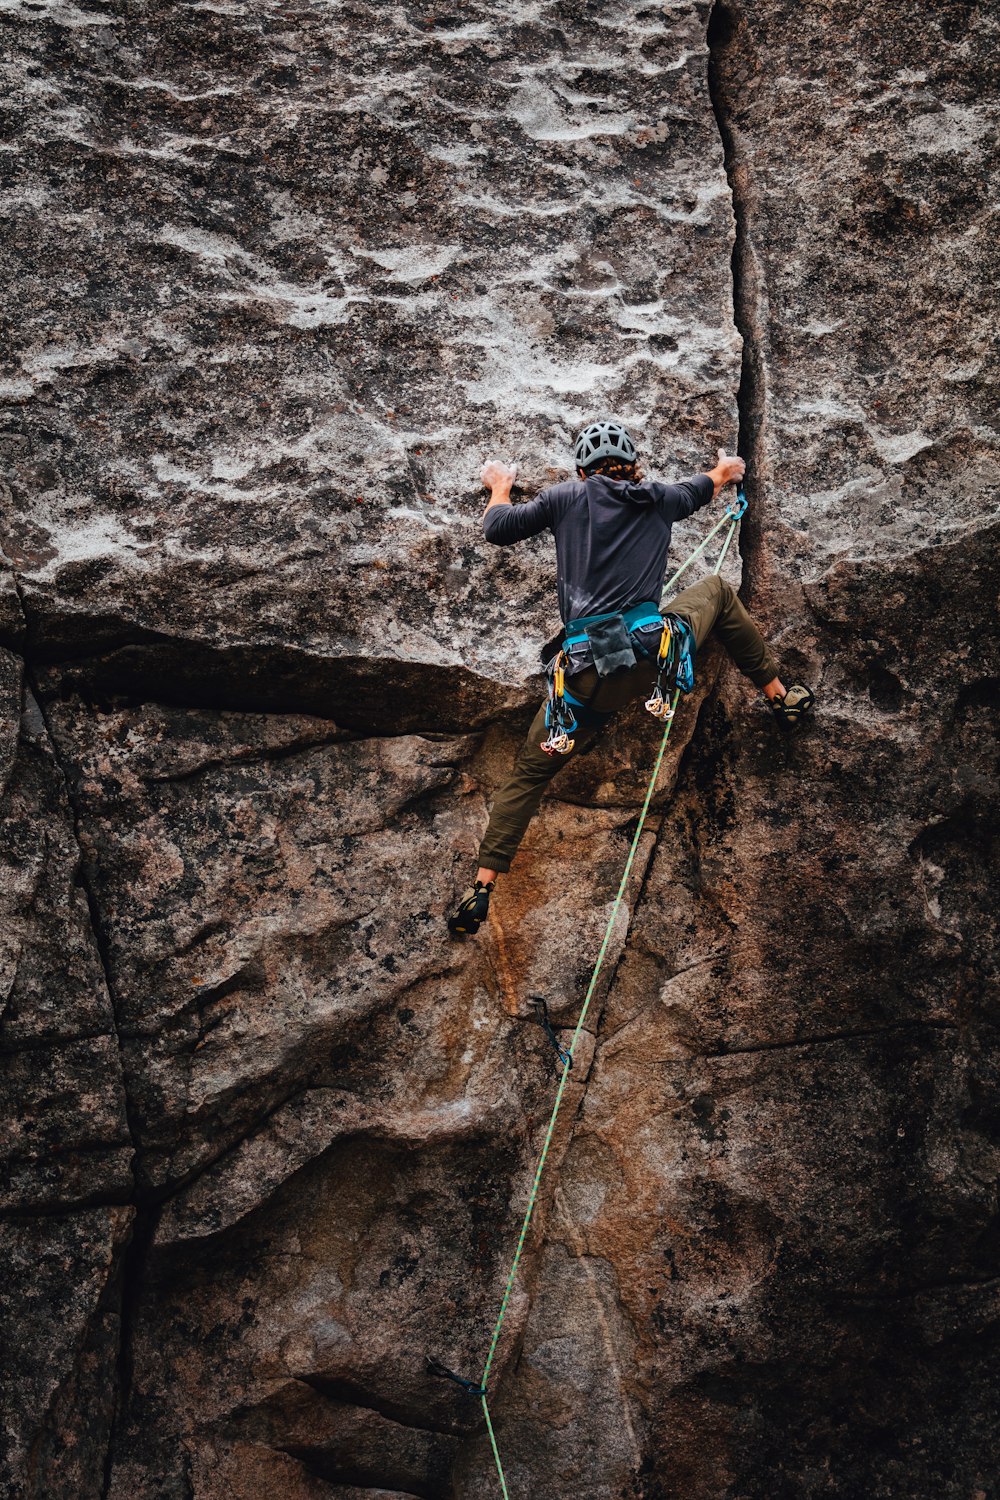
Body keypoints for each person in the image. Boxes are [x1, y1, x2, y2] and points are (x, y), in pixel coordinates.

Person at [448, 420, 815, 936]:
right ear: (633, 463)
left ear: (582, 470)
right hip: (649, 657)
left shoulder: (564, 498)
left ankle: (481, 888)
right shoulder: (660, 498)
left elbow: (497, 528)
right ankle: (781, 696)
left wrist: (501, 486)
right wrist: (728, 469)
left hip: (581, 680)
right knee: (715, 591)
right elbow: (711, 481)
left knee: (529, 775)